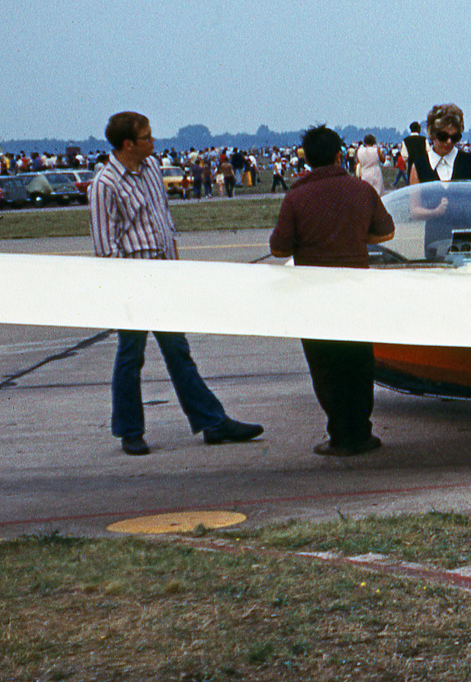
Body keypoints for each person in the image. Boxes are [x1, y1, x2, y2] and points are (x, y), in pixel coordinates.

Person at [88, 112, 263, 455]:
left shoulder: (151, 168)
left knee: (178, 351)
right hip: (133, 279)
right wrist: (121, 294)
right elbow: (105, 248)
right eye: (147, 137)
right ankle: (130, 430)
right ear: (128, 144)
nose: (153, 142)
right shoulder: (105, 184)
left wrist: (176, 270)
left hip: (163, 275)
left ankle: (212, 422)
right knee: (130, 355)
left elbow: (164, 220)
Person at [269, 126, 396, 457]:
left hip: (315, 294)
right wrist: (354, 238)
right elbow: (386, 233)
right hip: (355, 289)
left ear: (306, 159)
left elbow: (280, 250)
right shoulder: (361, 190)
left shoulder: (295, 196)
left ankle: (339, 435)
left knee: (325, 366)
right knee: (358, 361)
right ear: (340, 154)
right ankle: (361, 431)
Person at [408, 104, 471, 260]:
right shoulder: (419, 166)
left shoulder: (470, 162)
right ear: (432, 134)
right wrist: (435, 212)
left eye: (455, 137)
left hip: (465, 236)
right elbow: (414, 210)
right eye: (443, 137)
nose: (449, 142)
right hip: (435, 238)